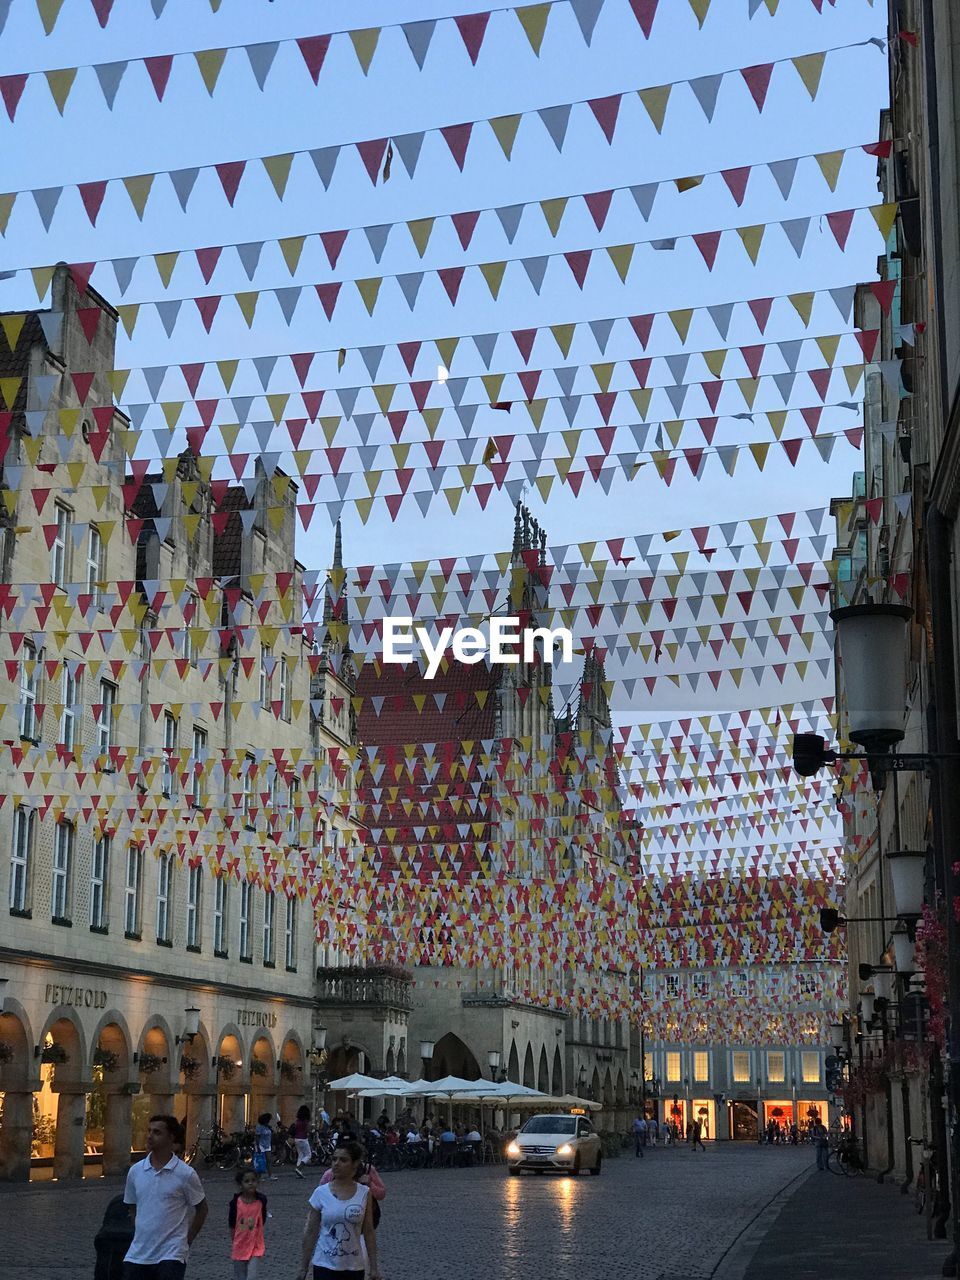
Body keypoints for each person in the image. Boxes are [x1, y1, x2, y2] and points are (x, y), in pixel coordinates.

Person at [122, 1114, 208, 1279]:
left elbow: (202, 1208)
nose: (150, 1136)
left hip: (172, 1253)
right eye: (149, 1131)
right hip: (138, 1253)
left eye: (157, 1132)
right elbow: (132, 1207)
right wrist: (140, 1229)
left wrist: (187, 1239)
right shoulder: (136, 1171)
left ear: (171, 1137)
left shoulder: (185, 1174)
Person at [298, 1140, 382, 1280]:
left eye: (343, 1160)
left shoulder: (364, 1193)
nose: (336, 1163)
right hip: (324, 1264)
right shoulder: (320, 1193)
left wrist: (374, 1267)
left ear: (355, 1164)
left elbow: (368, 1231)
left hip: (354, 1266)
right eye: (334, 1159)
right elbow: (311, 1231)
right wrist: (303, 1267)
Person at [228, 1167, 268, 1279]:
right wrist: (234, 1240)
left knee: (252, 1276)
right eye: (247, 1181)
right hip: (240, 1245)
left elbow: (262, 1218)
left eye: (253, 1180)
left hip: (256, 1244)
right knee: (240, 1276)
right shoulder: (235, 1203)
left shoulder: (261, 1201)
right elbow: (232, 1224)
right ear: (240, 1185)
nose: (251, 1183)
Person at [292, 1105, 313, 1179]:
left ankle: (298, 1170)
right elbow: (308, 1130)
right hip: (303, 1138)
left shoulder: (297, 1121)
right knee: (308, 1155)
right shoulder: (306, 1121)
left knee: (300, 1155)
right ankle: (299, 1168)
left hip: (296, 1139)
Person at [254, 1113, 277, 1180]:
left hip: (267, 1145)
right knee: (261, 1160)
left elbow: (271, 1135)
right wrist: (258, 1147)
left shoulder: (268, 1126)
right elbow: (257, 1137)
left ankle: (270, 1175)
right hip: (261, 1145)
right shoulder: (259, 1127)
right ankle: (259, 1176)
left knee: (269, 1160)